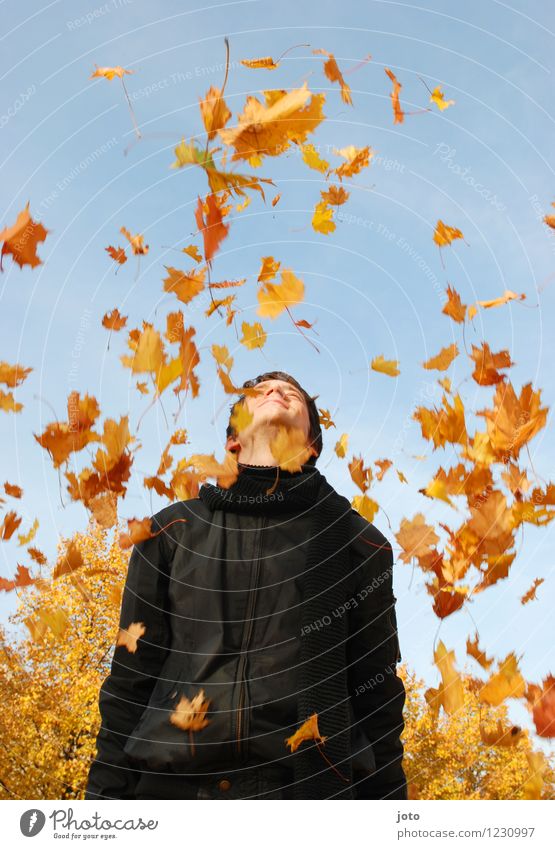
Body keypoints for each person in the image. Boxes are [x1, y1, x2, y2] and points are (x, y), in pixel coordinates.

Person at [85, 370, 407, 800]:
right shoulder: (172, 531)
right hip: (174, 793)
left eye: (291, 392)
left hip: (303, 797)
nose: (276, 392)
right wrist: (102, 809)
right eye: (258, 393)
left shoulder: (358, 544)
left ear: (311, 444)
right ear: (233, 440)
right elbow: (130, 680)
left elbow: (378, 697)